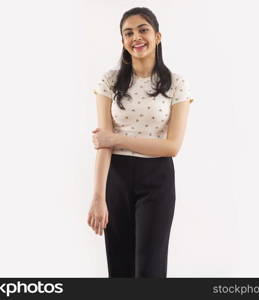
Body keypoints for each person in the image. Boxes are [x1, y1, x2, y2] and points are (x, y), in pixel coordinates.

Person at [87, 7, 195, 278]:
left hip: (156, 178)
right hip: (117, 177)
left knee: (150, 269)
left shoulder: (176, 84)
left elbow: (172, 146)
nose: (136, 37)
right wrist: (98, 197)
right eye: (128, 32)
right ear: (123, 41)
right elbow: (104, 144)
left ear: (157, 36)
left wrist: (117, 138)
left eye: (143, 29)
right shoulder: (110, 81)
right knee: (119, 267)